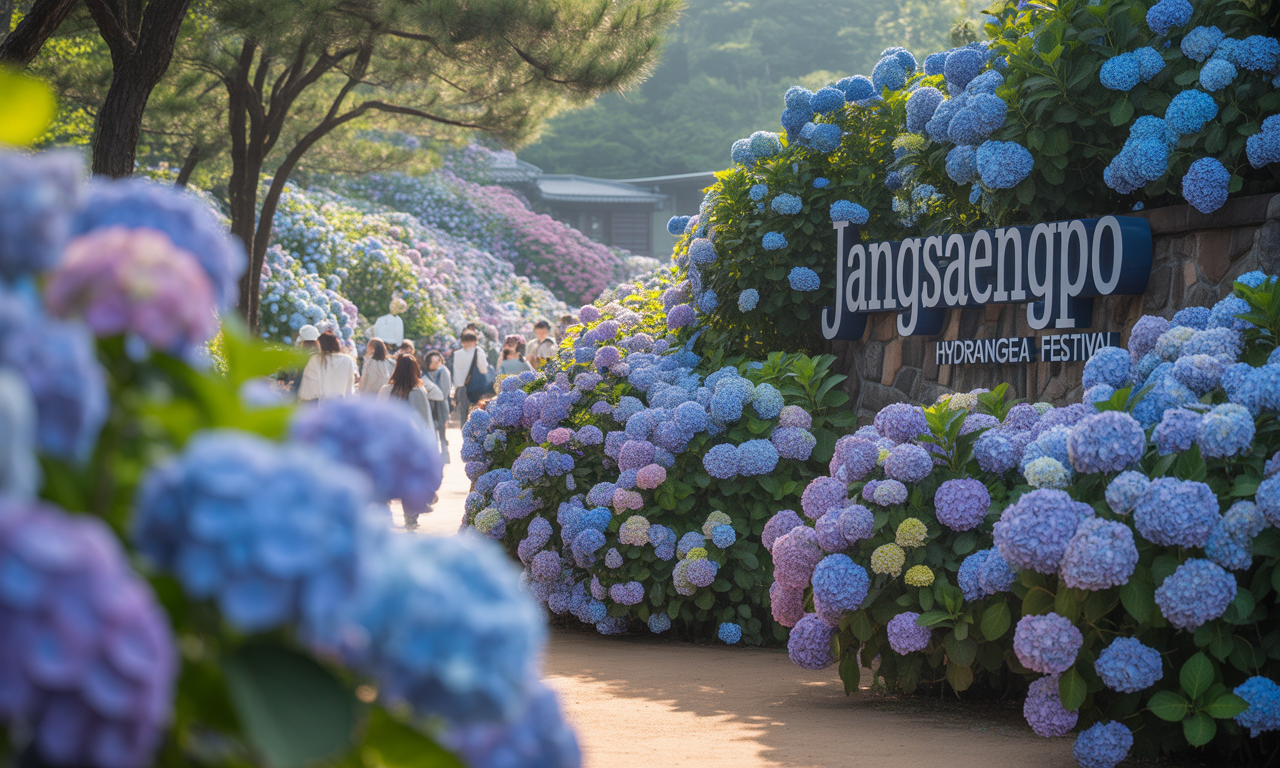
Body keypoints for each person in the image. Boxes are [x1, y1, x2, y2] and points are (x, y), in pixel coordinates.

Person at [378, 353, 444, 529]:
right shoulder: (418, 391)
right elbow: (424, 422)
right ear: (415, 370)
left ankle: (385, 515)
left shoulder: (385, 390)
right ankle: (410, 517)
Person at [299, 330, 357, 401]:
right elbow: (350, 385)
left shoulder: (316, 359)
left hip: (321, 403)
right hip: (341, 402)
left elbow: (308, 388)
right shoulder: (348, 360)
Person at [451, 330, 488, 423]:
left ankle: (464, 430)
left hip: (462, 388)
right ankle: (475, 431)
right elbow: (483, 370)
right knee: (477, 411)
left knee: (464, 413)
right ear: (475, 341)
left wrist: (457, 388)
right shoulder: (478, 352)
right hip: (476, 387)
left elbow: (456, 373)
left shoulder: (457, 354)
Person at [423, 351, 452, 462]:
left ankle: (445, 454)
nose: (435, 364)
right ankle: (434, 455)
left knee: (442, 431)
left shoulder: (443, 371)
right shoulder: (425, 374)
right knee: (432, 431)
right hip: (430, 405)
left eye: (437, 361)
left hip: (440, 405)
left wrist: (437, 395)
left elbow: (445, 390)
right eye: (432, 362)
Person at [283, 324, 321, 398]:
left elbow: (298, 377)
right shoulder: (321, 357)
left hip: (301, 394)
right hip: (317, 395)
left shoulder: (301, 357)